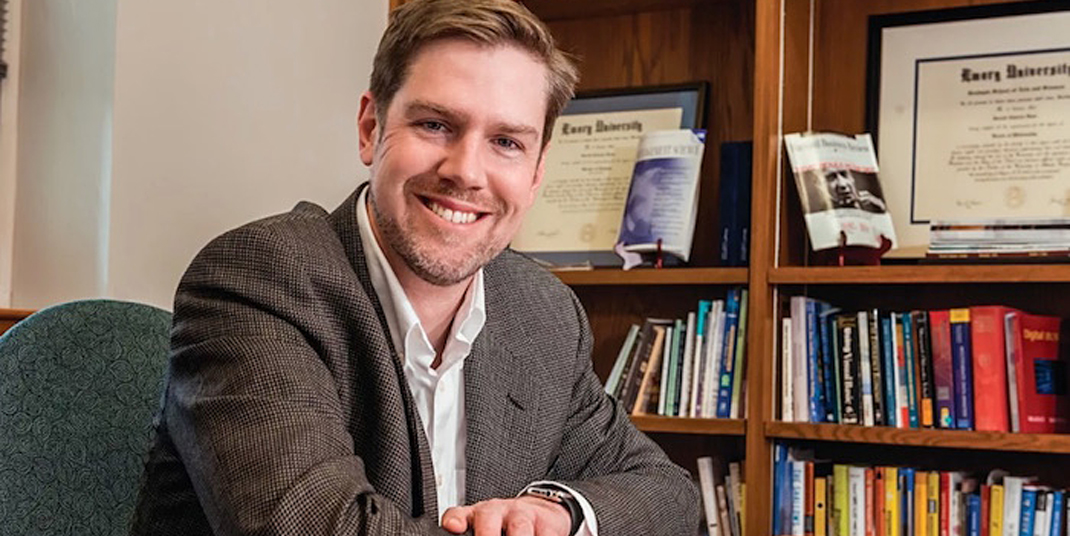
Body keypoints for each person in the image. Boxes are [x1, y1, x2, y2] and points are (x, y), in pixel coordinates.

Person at [129, 1, 699, 535]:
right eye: (435, 125)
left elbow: (668, 495)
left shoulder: (542, 311)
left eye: (506, 141)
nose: (467, 171)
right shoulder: (258, 281)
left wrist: (559, 513)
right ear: (371, 128)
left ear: (537, 171)